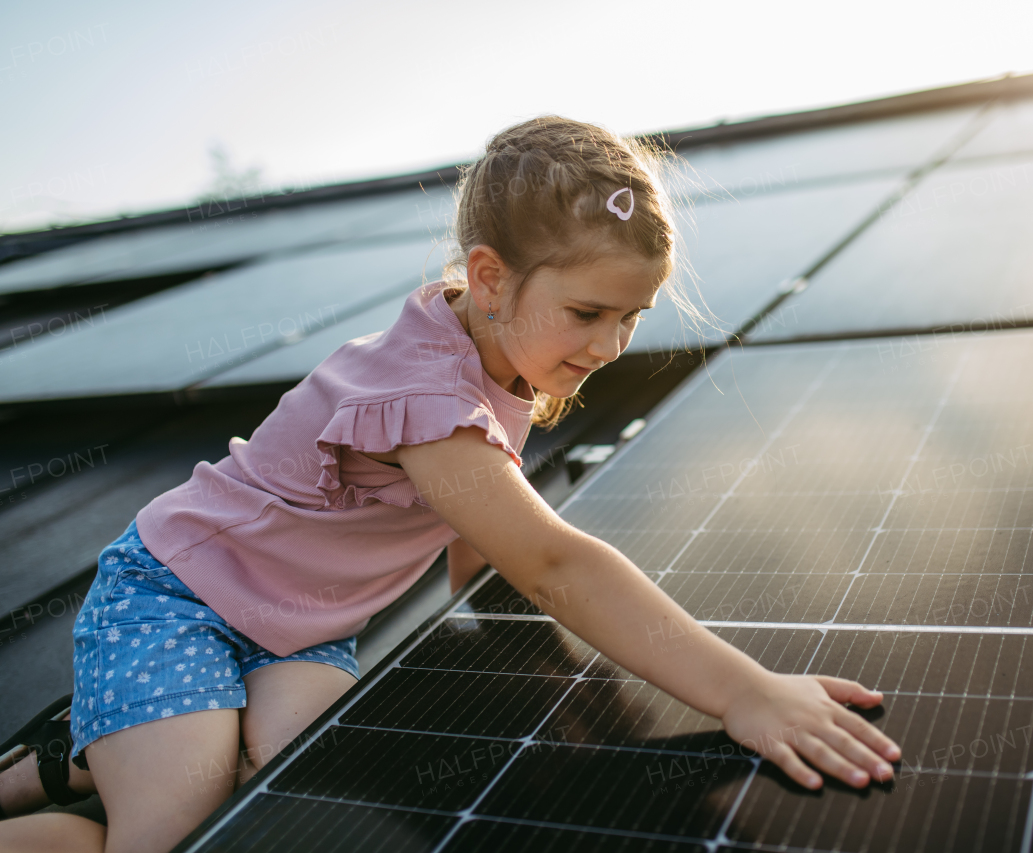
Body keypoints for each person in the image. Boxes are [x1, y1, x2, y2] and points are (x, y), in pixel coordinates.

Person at [0, 115, 900, 853]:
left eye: (632, 316)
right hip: (179, 597)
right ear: (488, 276)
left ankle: (90, 745)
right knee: (175, 831)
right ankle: (92, 768)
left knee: (283, 777)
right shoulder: (425, 393)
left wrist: (523, 658)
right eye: (587, 313)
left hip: (293, 630)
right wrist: (743, 690)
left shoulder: (492, 340)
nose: (608, 346)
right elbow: (550, 559)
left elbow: (474, 519)